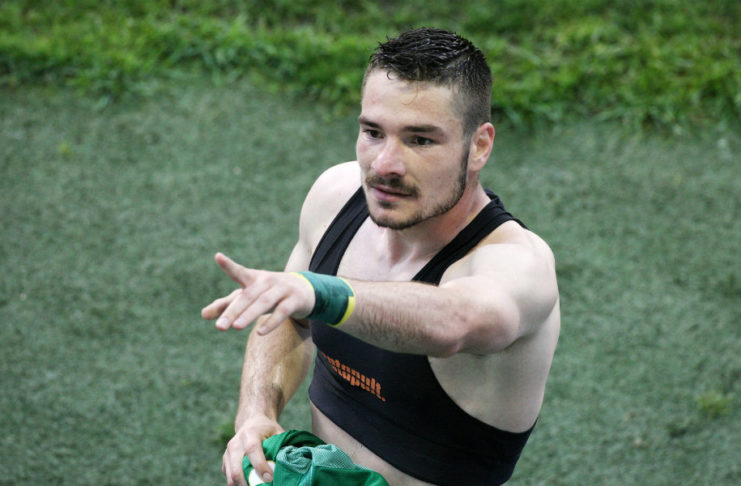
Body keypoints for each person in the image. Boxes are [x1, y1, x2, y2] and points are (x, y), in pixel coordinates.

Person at [202, 27, 560, 486]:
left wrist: (319, 291)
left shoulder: (518, 264)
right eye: (373, 132)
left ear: (479, 146)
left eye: (420, 140)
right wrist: (256, 413)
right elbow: (291, 316)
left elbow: (452, 321)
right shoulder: (336, 196)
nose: (384, 165)